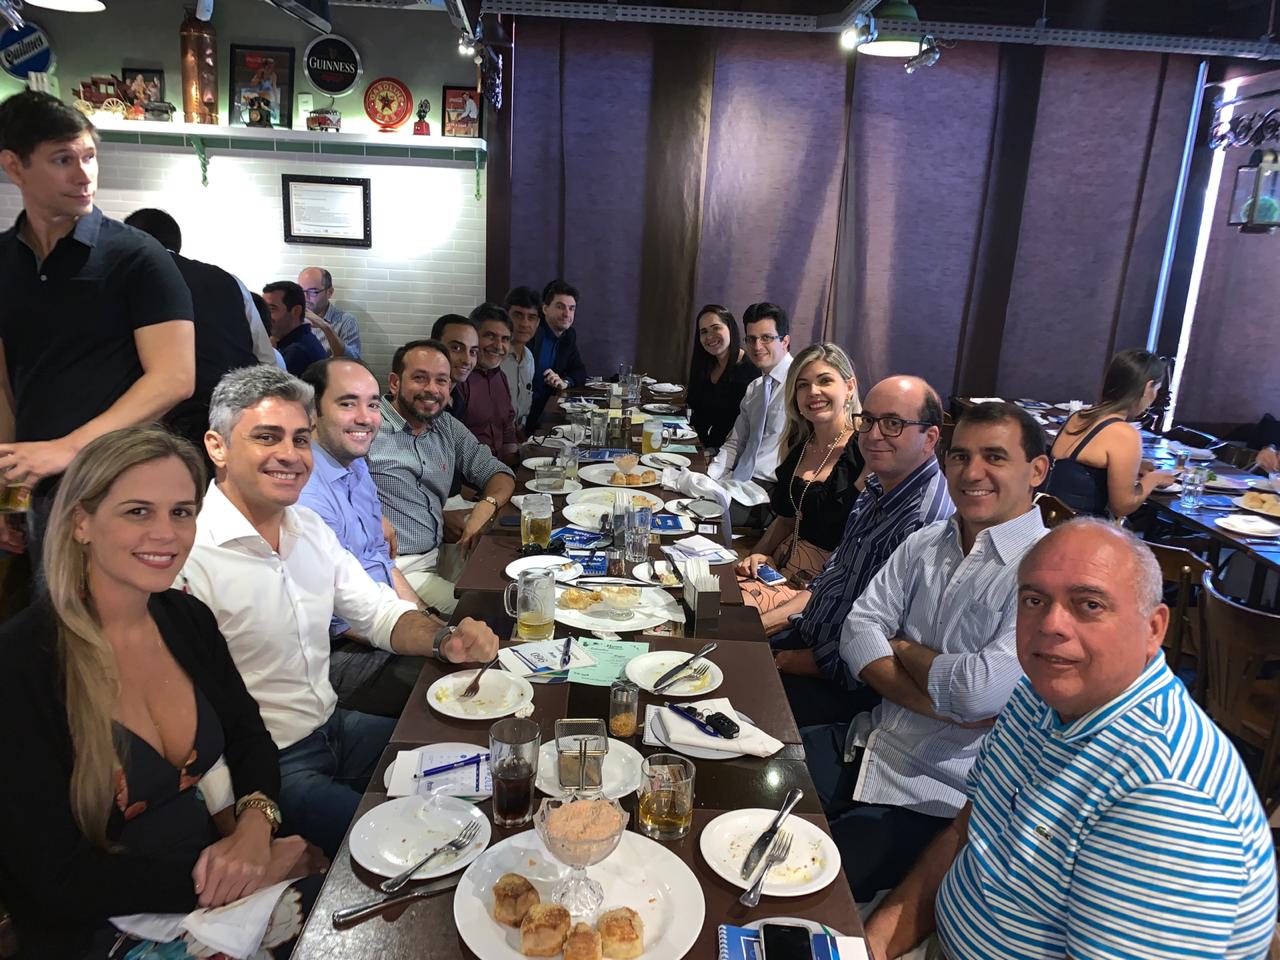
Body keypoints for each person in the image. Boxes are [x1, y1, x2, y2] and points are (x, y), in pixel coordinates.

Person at [864, 520, 1279, 960]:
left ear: (1154, 629)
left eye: (1089, 604)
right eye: (1034, 600)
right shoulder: (1035, 697)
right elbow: (964, 833)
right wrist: (875, 943)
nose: (1051, 624)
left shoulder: (1167, 798)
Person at [0, 427, 321, 959]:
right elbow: (53, 877)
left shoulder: (186, 619)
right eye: (137, 512)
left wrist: (254, 829)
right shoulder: (19, 666)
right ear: (80, 522)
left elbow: (249, 737)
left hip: (210, 885)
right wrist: (243, 878)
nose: (167, 534)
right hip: (99, 927)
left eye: (181, 512)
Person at [179, 366, 499, 858]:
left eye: (299, 438)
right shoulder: (189, 556)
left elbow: (377, 612)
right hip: (270, 770)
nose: (290, 454)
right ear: (217, 447)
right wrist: (238, 828)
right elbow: (188, 718)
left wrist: (444, 640)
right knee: (421, 845)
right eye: (266, 437)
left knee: (485, 767)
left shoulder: (305, 525)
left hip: (335, 728)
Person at [801, 401, 1050, 903]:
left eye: (994, 457)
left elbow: (977, 693)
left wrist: (899, 646)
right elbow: (857, 631)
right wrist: (933, 695)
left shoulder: (1044, 570)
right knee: (744, 783)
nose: (972, 472)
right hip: (869, 740)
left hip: (939, 794)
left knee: (803, 878)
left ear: (1037, 470)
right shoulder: (927, 542)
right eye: (960, 457)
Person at [0, 91, 195, 560]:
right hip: (40, 488)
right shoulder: (3, 260)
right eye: (62, 159)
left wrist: (68, 448)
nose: (83, 174)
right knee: (43, 602)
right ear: (14, 166)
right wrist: (8, 490)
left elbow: (174, 377)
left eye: (88, 156)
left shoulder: (137, 256)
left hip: (119, 482)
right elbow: (7, 385)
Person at [771, 376, 954, 729]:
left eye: (893, 423)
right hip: (808, 639)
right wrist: (769, 625)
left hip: (844, 685)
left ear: (930, 438)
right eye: (867, 420)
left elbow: (877, 646)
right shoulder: (876, 485)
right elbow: (832, 577)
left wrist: (781, 658)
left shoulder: (924, 523)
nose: (873, 435)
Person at [298, 357, 429, 718]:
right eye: (347, 403)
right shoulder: (306, 495)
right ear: (312, 413)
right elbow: (340, 617)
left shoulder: (354, 464)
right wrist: (420, 632)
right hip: (340, 650)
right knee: (460, 682)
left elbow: (381, 559)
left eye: (372, 404)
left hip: (384, 619)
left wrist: (425, 617)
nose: (365, 417)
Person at [369, 339, 516, 614]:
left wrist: (486, 506)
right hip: (396, 568)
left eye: (441, 381)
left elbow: (499, 473)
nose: (432, 389)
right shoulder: (368, 428)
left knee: (515, 580)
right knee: (493, 610)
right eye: (420, 378)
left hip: (439, 554)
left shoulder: (445, 426)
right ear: (395, 383)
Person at [737, 343, 864, 618]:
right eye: (803, 385)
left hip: (822, 589)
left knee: (729, 616)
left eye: (825, 381)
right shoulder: (800, 444)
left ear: (849, 387)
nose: (813, 392)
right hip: (782, 568)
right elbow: (786, 520)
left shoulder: (864, 452)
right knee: (710, 590)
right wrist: (753, 557)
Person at [123, 208, 258, 454]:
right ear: (178, 244)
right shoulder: (228, 280)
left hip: (163, 421)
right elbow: (264, 356)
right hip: (235, 412)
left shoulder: (124, 279)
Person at [1044, 348, 1175, 517]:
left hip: (1046, 517)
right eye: (1156, 389)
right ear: (1147, 387)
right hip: (1079, 526)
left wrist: (1135, 466)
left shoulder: (1079, 416)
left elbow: (1083, 464)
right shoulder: (1124, 433)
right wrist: (1153, 479)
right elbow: (1122, 506)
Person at [707, 303, 794, 525]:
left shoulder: (800, 386)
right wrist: (711, 475)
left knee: (701, 514)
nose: (757, 346)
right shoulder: (755, 388)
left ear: (785, 341)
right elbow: (736, 442)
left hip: (770, 490)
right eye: (751, 339)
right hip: (739, 481)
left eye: (766, 338)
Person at [686, 304, 759, 449]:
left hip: (727, 454)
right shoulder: (707, 365)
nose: (709, 336)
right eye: (704, 331)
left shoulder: (750, 371)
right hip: (698, 445)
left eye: (716, 328)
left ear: (730, 328)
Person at [526, 279, 588, 432]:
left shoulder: (569, 335)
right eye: (560, 307)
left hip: (548, 410)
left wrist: (565, 381)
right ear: (545, 308)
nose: (567, 314)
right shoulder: (531, 331)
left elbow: (579, 371)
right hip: (524, 415)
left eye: (571, 308)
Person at [460, 302, 519, 463]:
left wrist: (514, 466)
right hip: (468, 474)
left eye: (505, 339)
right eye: (490, 336)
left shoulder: (501, 377)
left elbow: (507, 428)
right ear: (472, 337)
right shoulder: (459, 379)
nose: (498, 346)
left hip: (499, 469)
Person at [262, 281, 326, 377]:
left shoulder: (297, 352)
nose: (264, 316)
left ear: (296, 311)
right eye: (264, 309)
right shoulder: (300, 340)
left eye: (272, 309)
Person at [299, 266, 362, 359]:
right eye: (301, 291)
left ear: (329, 292)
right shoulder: (295, 318)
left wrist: (326, 327)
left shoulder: (346, 321)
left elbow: (353, 360)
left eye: (313, 291)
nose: (305, 297)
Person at [501, 286, 540, 431]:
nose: (524, 324)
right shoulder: (496, 357)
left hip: (517, 435)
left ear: (537, 323)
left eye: (531, 317)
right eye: (518, 315)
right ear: (506, 317)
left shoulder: (529, 357)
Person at [430, 313, 480, 420]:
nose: (467, 360)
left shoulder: (457, 399)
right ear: (434, 346)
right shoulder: (422, 398)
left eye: (473, 351)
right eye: (456, 348)